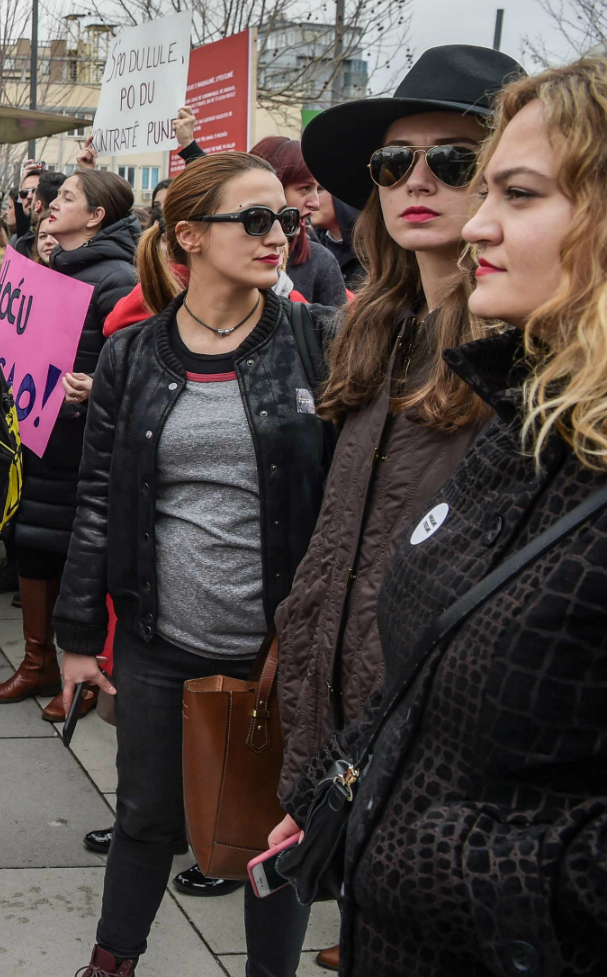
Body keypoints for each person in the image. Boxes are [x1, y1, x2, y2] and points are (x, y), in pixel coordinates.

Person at [276, 54, 607, 976]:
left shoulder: (518, 381)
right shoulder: (374, 335)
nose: (418, 183)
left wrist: (427, 854)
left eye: (458, 163)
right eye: (390, 165)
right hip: (367, 754)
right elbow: (350, 545)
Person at [58, 152, 336, 977]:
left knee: (266, 830)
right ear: (190, 237)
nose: (277, 234)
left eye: (284, 219)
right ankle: (111, 964)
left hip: (276, 650)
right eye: (253, 219)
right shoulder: (133, 353)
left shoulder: (319, 341)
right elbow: (98, 501)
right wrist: (76, 635)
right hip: (158, 640)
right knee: (145, 817)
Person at [0, 167, 139, 724]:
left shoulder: (118, 278)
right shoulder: (48, 269)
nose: (51, 204)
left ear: (96, 217)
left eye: (67, 198)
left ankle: (84, 670)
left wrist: (99, 388)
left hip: (80, 447)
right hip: (37, 440)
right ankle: (36, 662)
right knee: (32, 546)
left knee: (76, 555)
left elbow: (139, 370)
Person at [248, 137, 347, 306]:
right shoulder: (221, 256)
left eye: (318, 189)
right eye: (304, 188)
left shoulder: (320, 262)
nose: (315, 203)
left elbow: (340, 331)